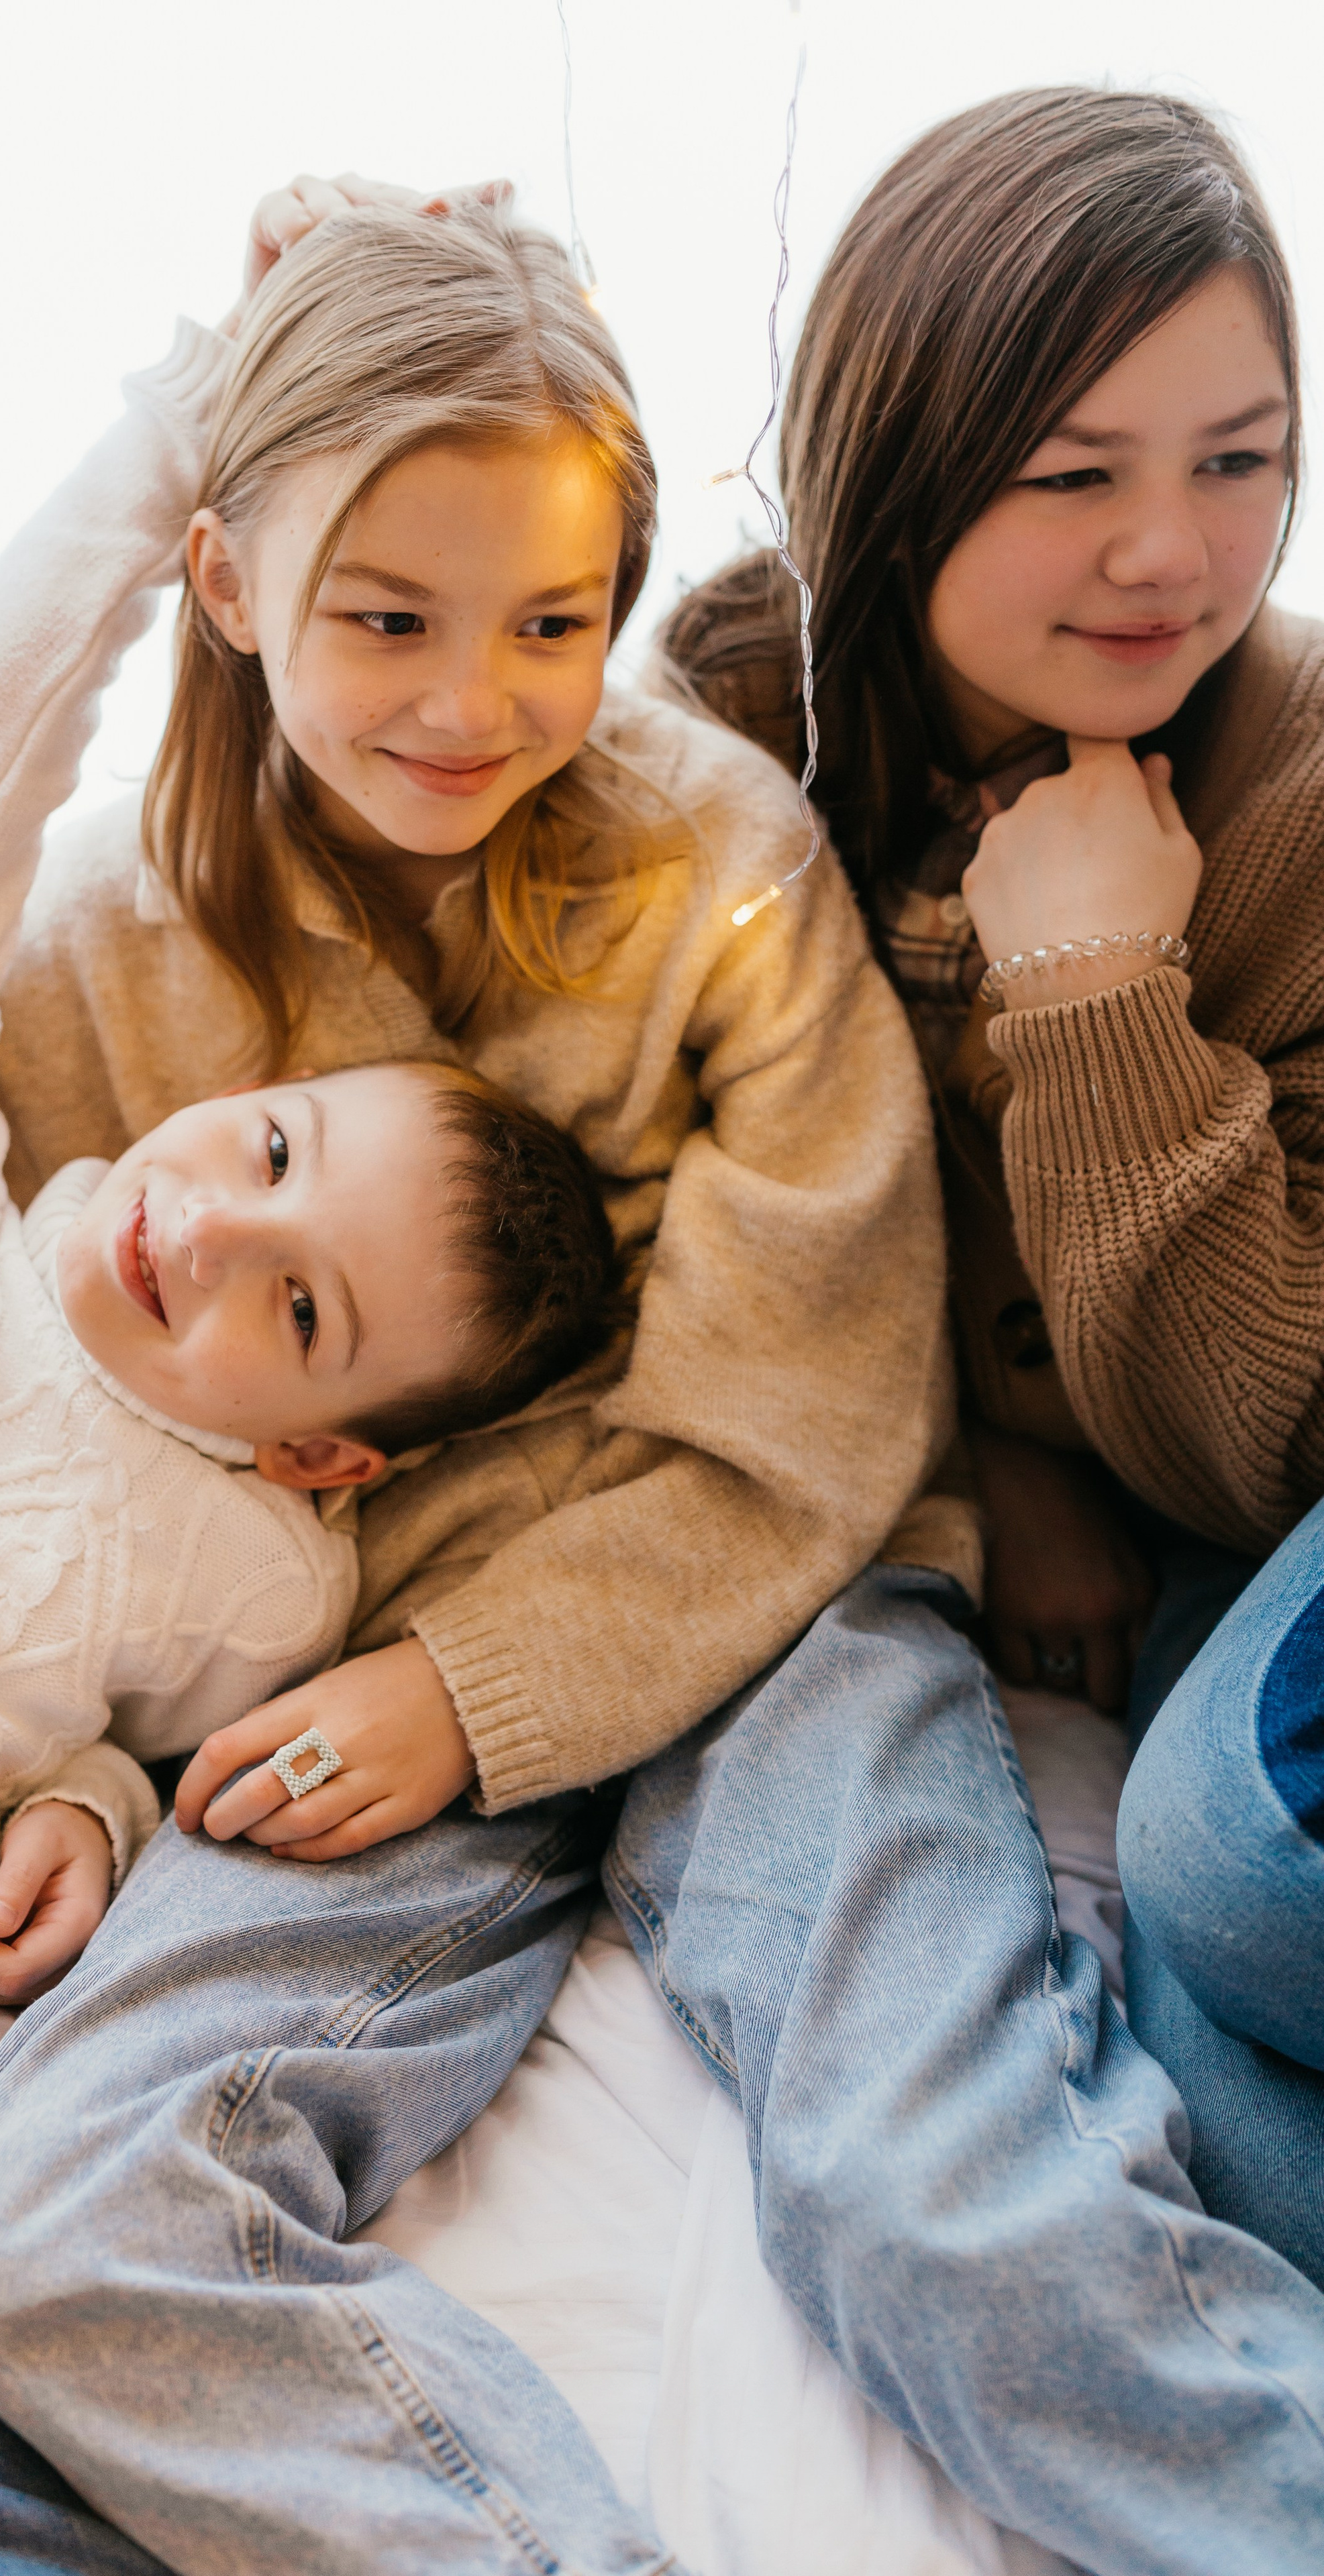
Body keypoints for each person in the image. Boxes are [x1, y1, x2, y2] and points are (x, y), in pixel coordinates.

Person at [0, 166, 1315, 2576]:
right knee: (47, 2222)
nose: (472, 698)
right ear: (224, 588)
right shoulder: (104, 935)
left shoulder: (714, 859)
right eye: (382, 616)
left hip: (750, 1641)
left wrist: (477, 1689)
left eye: (550, 622)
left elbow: (812, 1421)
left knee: (925, 2189)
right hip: (313, 1728)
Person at [0, 201, 627, 2570]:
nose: (219, 1221)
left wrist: (81, 1834)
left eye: (297, 1305)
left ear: (330, 1443)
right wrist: (187, 408)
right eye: (270, 1146)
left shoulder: (271, 1567)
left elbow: (110, 1746)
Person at [662, 85, 1324, 2321]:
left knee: (1227, 1879)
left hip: (1244, 1530)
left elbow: (1270, 1440)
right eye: (1076, 478)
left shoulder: (1300, 787)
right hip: (1046, 1561)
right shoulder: (734, 720)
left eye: (1239, 462)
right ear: (903, 461)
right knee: (1205, 2152)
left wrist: (1099, 989)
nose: (1177, 554)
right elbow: (677, 1200)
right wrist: (968, 1482)